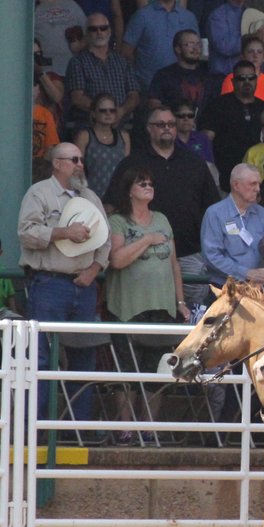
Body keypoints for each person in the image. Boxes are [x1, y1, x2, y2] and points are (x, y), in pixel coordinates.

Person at [18, 142, 110, 429]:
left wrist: (94, 270)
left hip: (84, 285)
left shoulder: (90, 196)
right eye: (74, 159)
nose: (80, 164)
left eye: (81, 159)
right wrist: (63, 232)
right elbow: (26, 232)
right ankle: (36, 428)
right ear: (57, 163)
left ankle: (77, 428)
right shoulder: (39, 192)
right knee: (41, 357)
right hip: (49, 283)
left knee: (84, 357)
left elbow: (105, 240)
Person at [104, 167, 189, 445]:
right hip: (128, 308)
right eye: (142, 183)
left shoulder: (162, 219)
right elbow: (116, 260)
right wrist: (147, 239)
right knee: (127, 371)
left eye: (151, 183)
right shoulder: (117, 222)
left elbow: (174, 263)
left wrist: (180, 302)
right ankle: (126, 429)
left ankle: (149, 427)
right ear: (129, 190)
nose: (148, 187)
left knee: (157, 371)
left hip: (161, 308)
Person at [108, 106, 221, 308]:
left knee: (192, 312)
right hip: (143, 253)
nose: (167, 128)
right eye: (160, 124)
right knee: (146, 309)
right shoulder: (133, 163)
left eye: (171, 124)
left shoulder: (194, 162)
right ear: (149, 129)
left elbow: (212, 207)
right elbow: (111, 205)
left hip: (189, 252)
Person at [120, 0, 200, 90]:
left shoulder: (189, 17)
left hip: (182, 87)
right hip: (147, 86)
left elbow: (196, 52)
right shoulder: (141, 16)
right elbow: (126, 52)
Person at [200, 60, 264, 193]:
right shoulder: (218, 105)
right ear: (233, 81)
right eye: (241, 78)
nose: (247, 82)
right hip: (225, 179)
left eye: (251, 78)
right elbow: (205, 141)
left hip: (259, 181)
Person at [200, 163, 264, 288]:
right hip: (227, 290)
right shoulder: (215, 214)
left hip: (259, 290)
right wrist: (246, 273)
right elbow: (212, 257)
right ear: (236, 185)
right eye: (253, 184)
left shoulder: (262, 213)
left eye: (259, 184)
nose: (258, 189)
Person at [65, 13, 140, 128]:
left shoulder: (123, 62)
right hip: (90, 125)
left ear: (109, 31)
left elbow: (134, 96)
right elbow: (77, 97)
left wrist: (120, 112)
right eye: (93, 29)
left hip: (122, 124)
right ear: (87, 34)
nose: (99, 32)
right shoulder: (77, 62)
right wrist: (104, 112)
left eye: (103, 28)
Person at [73, 93, 130, 199]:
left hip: (119, 195)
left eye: (112, 110)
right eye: (103, 110)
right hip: (91, 194)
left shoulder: (124, 136)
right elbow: (77, 167)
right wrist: (85, 193)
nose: (108, 113)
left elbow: (127, 169)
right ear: (94, 113)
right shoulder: (84, 136)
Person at [147, 29, 218, 113]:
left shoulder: (209, 76)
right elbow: (154, 104)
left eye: (198, 44)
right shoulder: (163, 75)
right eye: (189, 44)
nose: (195, 48)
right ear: (178, 49)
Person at [207, 0, 262, 77]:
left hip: (250, 78)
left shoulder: (255, 15)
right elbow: (224, 47)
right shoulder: (217, 16)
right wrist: (253, 37)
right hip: (223, 76)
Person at [34, 0, 87, 77]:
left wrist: (81, 45)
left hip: (73, 68)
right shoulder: (32, 6)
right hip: (45, 70)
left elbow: (89, 32)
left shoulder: (72, 5)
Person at [219, 35, 264, 109]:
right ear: (242, 56)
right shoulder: (232, 79)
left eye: (259, 52)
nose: (255, 55)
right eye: (251, 52)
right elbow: (226, 107)